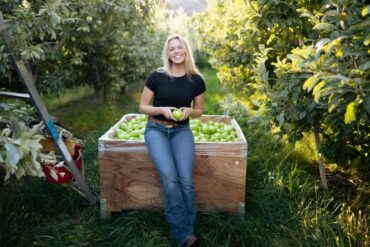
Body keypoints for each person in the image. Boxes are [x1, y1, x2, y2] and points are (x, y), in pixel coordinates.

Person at [139, 34, 206, 247]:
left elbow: (199, 111)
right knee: (170, 178)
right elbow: (143, 107)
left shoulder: (196, 80)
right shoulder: (156, 76)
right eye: (172, 49)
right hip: (156, 130)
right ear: (167, 53)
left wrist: (188, 111)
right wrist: (161, 110)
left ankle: (188, 231)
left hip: (181, 131)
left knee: (186, 181)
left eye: (180, 47)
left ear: (186, 50)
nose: (176, 51)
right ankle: (183, 236)